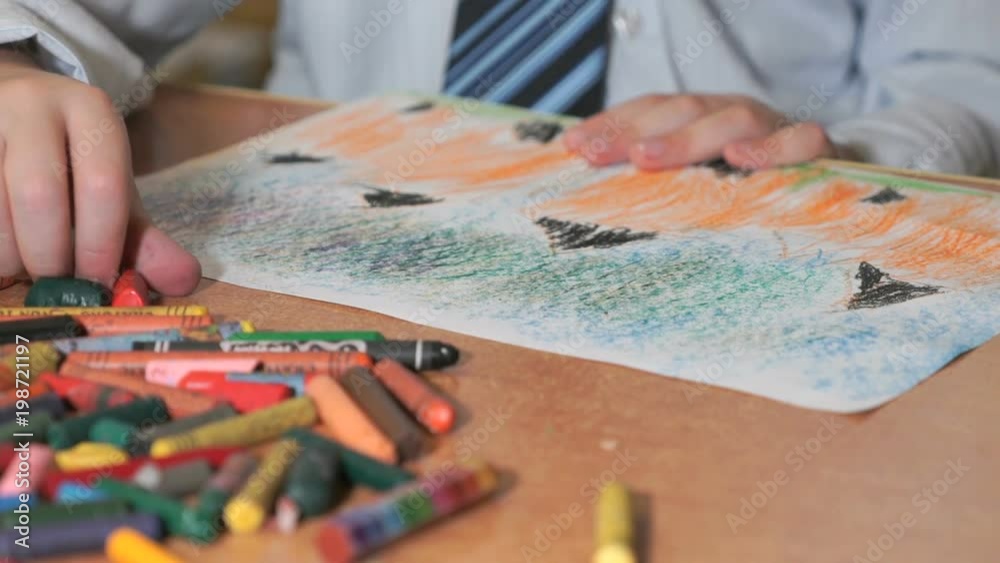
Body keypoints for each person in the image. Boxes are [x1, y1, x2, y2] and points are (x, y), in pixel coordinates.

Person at [0, 1, 997, 295]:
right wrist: (10, 59)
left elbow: (964, 85)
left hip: (744, 252)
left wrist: (835, 148)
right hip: (324, 269)